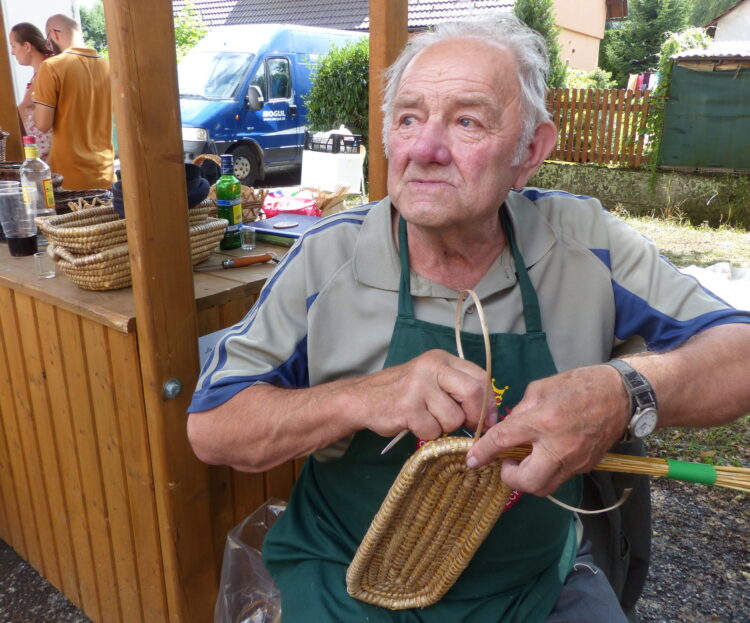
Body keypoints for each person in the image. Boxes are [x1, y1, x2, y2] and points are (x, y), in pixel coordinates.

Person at [187, 15, 750, 622]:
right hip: (347, 580)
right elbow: (214, 427)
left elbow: (739, 352)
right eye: (408, 118)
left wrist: (626, 391)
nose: (425, 149)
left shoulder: (586, 242)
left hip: (532, 585)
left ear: (530, 150)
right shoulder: (328, 258)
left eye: (466, 121)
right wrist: (357, 399)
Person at [32, 14, 114, 190]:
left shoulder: (52, 66)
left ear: (54, 33)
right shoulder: (108, 67)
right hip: (105, 173)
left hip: (69, 177)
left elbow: (43, 124)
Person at [9, 22, 55, 161]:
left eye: (14, 46)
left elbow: (25, 107)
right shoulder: (42, 69)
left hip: (46, 155)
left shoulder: (45, 69)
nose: (12, 52)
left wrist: (10, 130)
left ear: (27, 46)